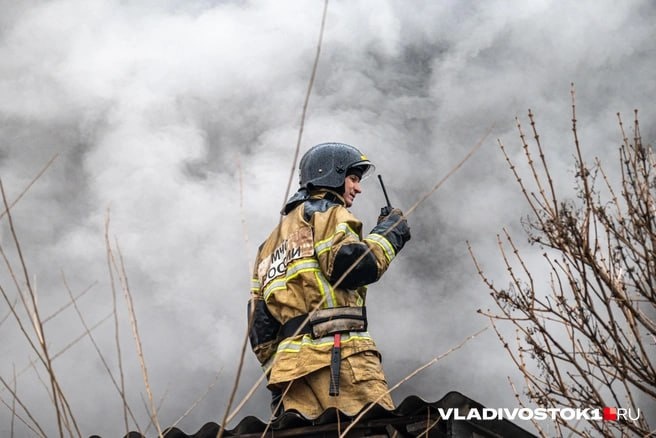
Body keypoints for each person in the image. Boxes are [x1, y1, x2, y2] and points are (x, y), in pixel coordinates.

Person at [248, 142, 411, 418]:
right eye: (353, 178)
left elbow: (258, 324)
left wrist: (277, 373)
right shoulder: (329, 213)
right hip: (342, 358)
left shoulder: (268, 246)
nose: (358, 188)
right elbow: (351, 266)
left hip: (291, 376)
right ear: (331, 174)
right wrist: (390, 232)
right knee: (377, 429)